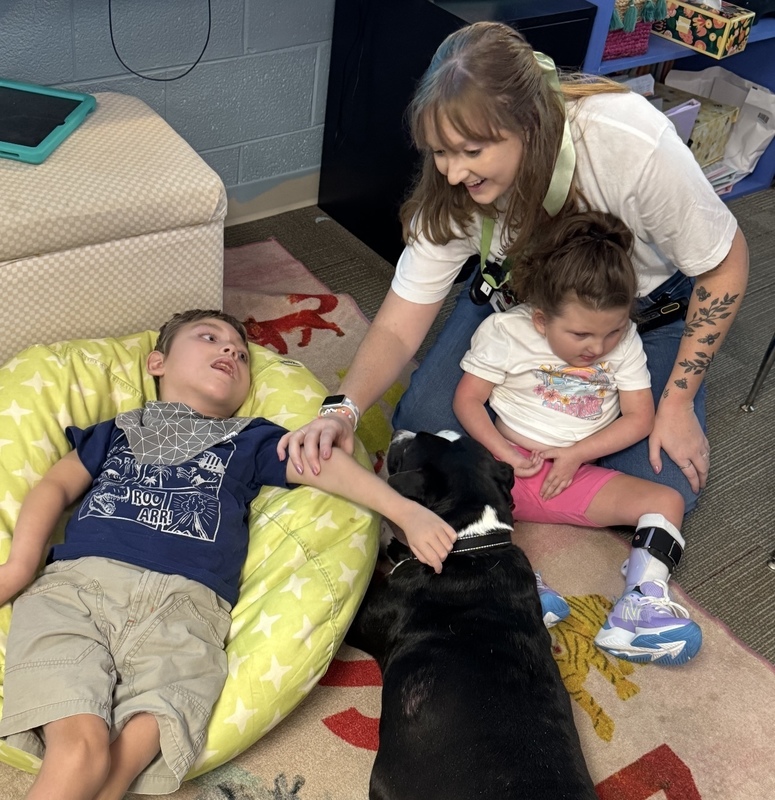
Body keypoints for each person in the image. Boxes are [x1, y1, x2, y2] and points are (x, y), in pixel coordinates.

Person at [279, 21, 748, 516]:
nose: (454, 173)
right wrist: (343, 410)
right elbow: (399, 323)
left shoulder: (630, 141)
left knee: (667, 483)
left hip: (631, 322)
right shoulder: (452, 188)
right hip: (520, 305)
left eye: (472, 152)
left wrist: (676, 402)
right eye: (441, 152)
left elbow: (725, 265)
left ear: (529, 124)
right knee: (421, 425)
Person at [0, 310, 456, 800]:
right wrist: (20, 566)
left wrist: (405, 512)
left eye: (241, 353)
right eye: (210, 339)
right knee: (81, 749)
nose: (230, 352)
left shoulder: (249, 438)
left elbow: (326, 466)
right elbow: (53, 487)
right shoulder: (118, 429)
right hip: (80, 592)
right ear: (157, 362)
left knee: (122, 760)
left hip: (185, 616)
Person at [453, 210, 700, 665]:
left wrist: (575, 455)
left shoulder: (623, 343)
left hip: (574, 473)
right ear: (542, 319)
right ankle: (518, 586)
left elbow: (639, 416)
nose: (598, 347)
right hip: (503, 469)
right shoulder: (506, 333)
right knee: (436, 475)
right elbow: (468, 402)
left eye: (612, 331)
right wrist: (502, 450)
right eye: (581, 334)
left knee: (669, 502)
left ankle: (639, 607)